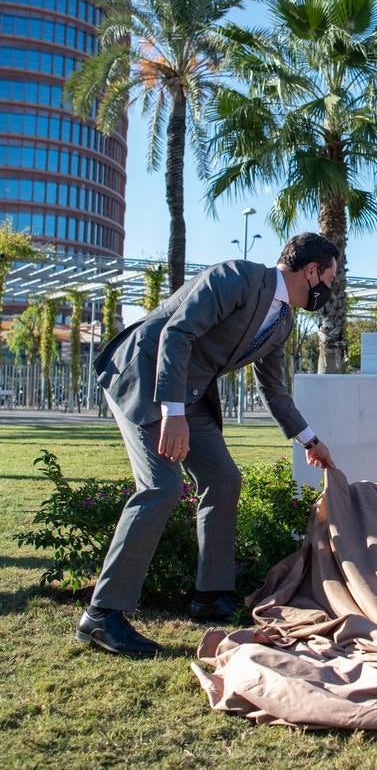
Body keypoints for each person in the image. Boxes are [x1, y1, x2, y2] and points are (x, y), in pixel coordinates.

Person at [76, 233, 340, 657]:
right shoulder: (236, 277)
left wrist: (310, 440)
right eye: (329, 276)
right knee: (160, 488)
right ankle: (101, 616)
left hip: (189, 393)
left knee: (223, 479)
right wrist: (173, 413)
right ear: (311, 271)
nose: (330, 287)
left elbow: (274, 391)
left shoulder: (283, 322)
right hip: (145, 379)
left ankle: (211, 596)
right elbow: (177, 334)